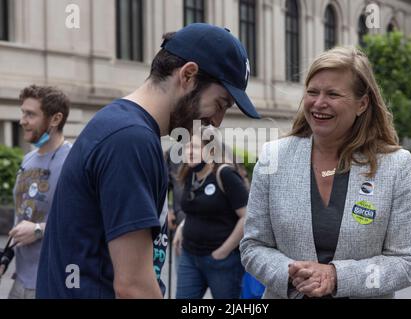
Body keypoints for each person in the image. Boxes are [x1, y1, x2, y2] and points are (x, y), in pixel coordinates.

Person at [36, 23, 260, 299]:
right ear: (188, 75)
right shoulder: (131, 140)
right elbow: (134, 287)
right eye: (221, 104)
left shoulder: (123, 126)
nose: (217, 121)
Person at [240, 47, 411, 299]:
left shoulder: (394, 165)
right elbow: (253, 246)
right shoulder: (274, 156)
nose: (318, 102)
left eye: (333, 94)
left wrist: (336, 276)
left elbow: (407, 262)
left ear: (362, 104)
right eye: (312, 92)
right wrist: (292, 274)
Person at [7, 85, 71, 299]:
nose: (22, 120)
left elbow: (85, 220)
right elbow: (23, 213)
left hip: (52, 281)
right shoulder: (27, 160)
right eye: (22, 112)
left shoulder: (74, 162)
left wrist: (38, 229)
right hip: (19, 280)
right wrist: (6, 257)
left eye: (30, 114)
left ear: (55, 119)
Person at [173, 136, 248, 299]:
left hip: (222, 262)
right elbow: (197, 210)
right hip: (189, 256)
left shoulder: (224, 174)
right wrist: (182, 227)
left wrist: (223, 252)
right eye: (187, 147)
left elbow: (247, 217)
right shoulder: (189, 174)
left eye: (195, 147)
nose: (189, 152)